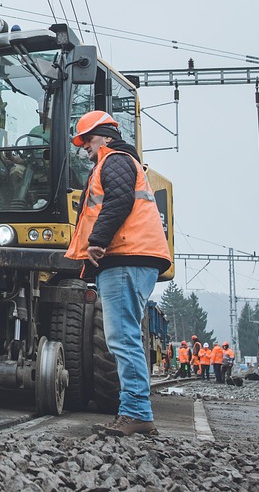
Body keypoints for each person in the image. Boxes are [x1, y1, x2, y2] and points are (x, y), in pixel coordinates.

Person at [65, 111, 172, 437]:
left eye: (88, 139)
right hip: (128, 259)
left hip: (126, 258)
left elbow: (119, 201)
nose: (84, 147)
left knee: (123, 338)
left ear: (106, 136)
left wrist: (97, 241)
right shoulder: (118, 162)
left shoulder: (115, 161)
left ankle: (136, 413)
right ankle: (134, 411)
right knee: (123, 337)